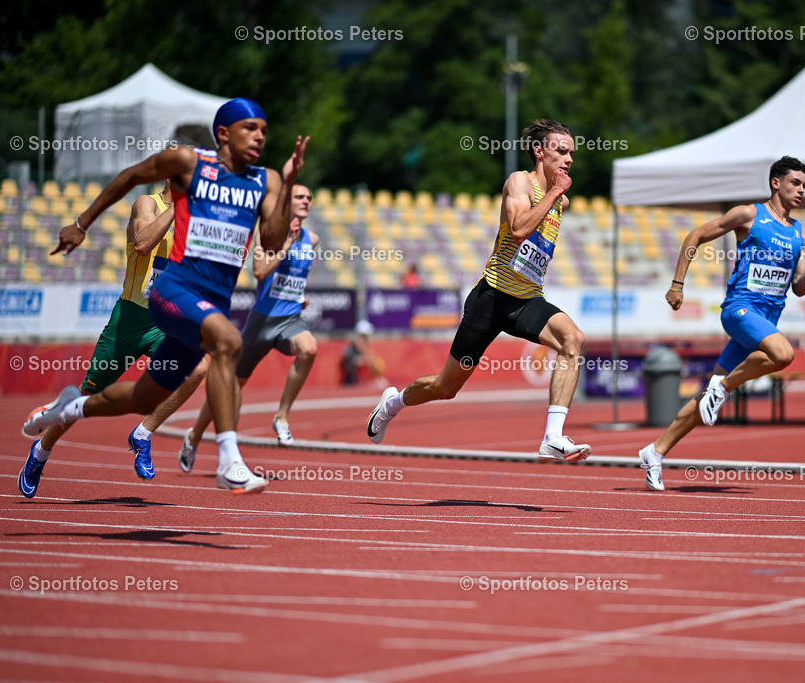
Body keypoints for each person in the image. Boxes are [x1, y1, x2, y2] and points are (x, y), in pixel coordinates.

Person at [21, 97, 309, 496]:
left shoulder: (266, 180)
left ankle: (76, 408)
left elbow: (272, 241)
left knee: (144, 397)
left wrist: (291, 180)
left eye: (264, 129)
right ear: (223, 133)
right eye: (250, 128)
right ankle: (228, 460)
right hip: (161, 299)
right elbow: (131, 185)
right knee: (228, 342)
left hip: (201, 305)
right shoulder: (186, 168)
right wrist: (80, 223)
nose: (260, 135)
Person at [366, 119, 591, 462]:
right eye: (561, 151)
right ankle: (392, 404)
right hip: (492, 298)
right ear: (539, 152)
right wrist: (555, 192)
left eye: (572, 153)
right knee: (446, 387)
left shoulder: (561, 202)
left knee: (572, 338)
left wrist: (557, 196)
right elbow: (517, 231)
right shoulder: (520, 182)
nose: (569, 160)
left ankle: (553, 437)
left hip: (526, 300)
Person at [637, 156, 805, 491]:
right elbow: (695, 236)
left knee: (705, 400)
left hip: (764, 320)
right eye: (795, 183)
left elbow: (799, 287)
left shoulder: (800, 230)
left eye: (804, 185)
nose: (801, 190)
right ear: (776, 183)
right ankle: (723, 389)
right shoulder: (749, 214)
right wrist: (677, 284)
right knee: (783, 354)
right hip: (739, 311)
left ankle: (654, 452)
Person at [19, 181, 209, 495]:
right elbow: (144, 244)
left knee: (197, 370)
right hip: (131, 319)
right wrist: (178, 207)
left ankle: (143, 434)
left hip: (167, 319)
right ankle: (41, 451)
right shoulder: (147, 205)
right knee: (86, 397)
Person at [178, 184, 319, 467]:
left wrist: (298, 297)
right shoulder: (268, 235)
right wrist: (286, 248)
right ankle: (194, 436)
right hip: (261, 322)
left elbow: (294, 278)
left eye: (309, 198)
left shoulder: (312, 239)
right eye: (300, 197)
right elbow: (259, 272)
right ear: (285, 203)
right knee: (230, 387)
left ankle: (281, 417)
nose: (306, 201)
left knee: (309, 349)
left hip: (290, 319)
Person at [341, 319, 384, 386]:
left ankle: (375, 380)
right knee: (372, 362)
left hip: (357, 361)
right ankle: (374, 381)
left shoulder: (363, 344)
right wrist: (369, 359)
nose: (368, 338)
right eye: (366, 335)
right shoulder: (353, 344)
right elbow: (357, 358)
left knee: (375, 362)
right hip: (352, 365)